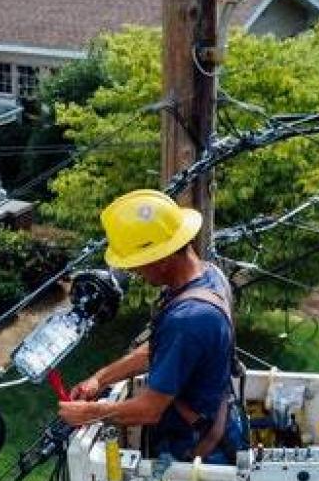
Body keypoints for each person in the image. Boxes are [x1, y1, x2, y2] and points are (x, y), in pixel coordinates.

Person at [57, 189, 245, 463]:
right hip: (215, 422)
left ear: (163, 258)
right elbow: (159, 350)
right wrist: (101, 378)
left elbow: (149, 410)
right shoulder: (207, 275)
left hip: (197, 451)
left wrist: (87, 414)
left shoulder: (189, 319)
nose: (134, 272)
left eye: (137, 263)